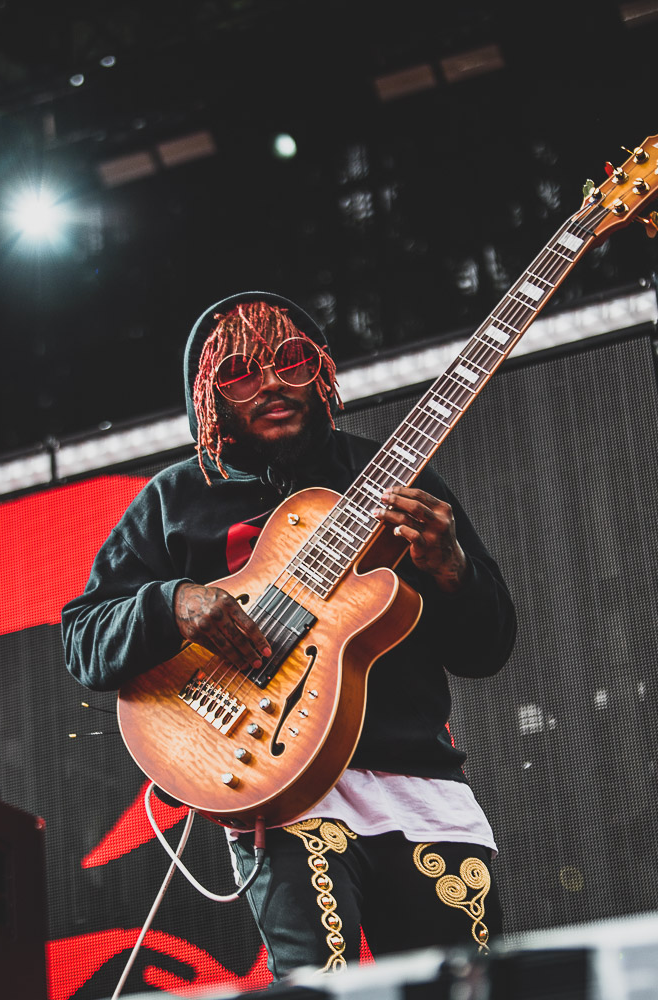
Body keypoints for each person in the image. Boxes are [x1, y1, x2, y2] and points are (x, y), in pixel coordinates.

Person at [62, 291, 517, 979]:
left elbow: (488, 650)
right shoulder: (176, 499)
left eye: (291, 360)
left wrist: (451, 568)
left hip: (421, 787)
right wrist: (172, 602)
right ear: (209, 396)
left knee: (467, 991)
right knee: (314, 988)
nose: (271, 381)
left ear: (323, 371)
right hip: (277, 783)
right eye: (240, 372)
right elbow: (83, 638)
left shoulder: (403, 482)